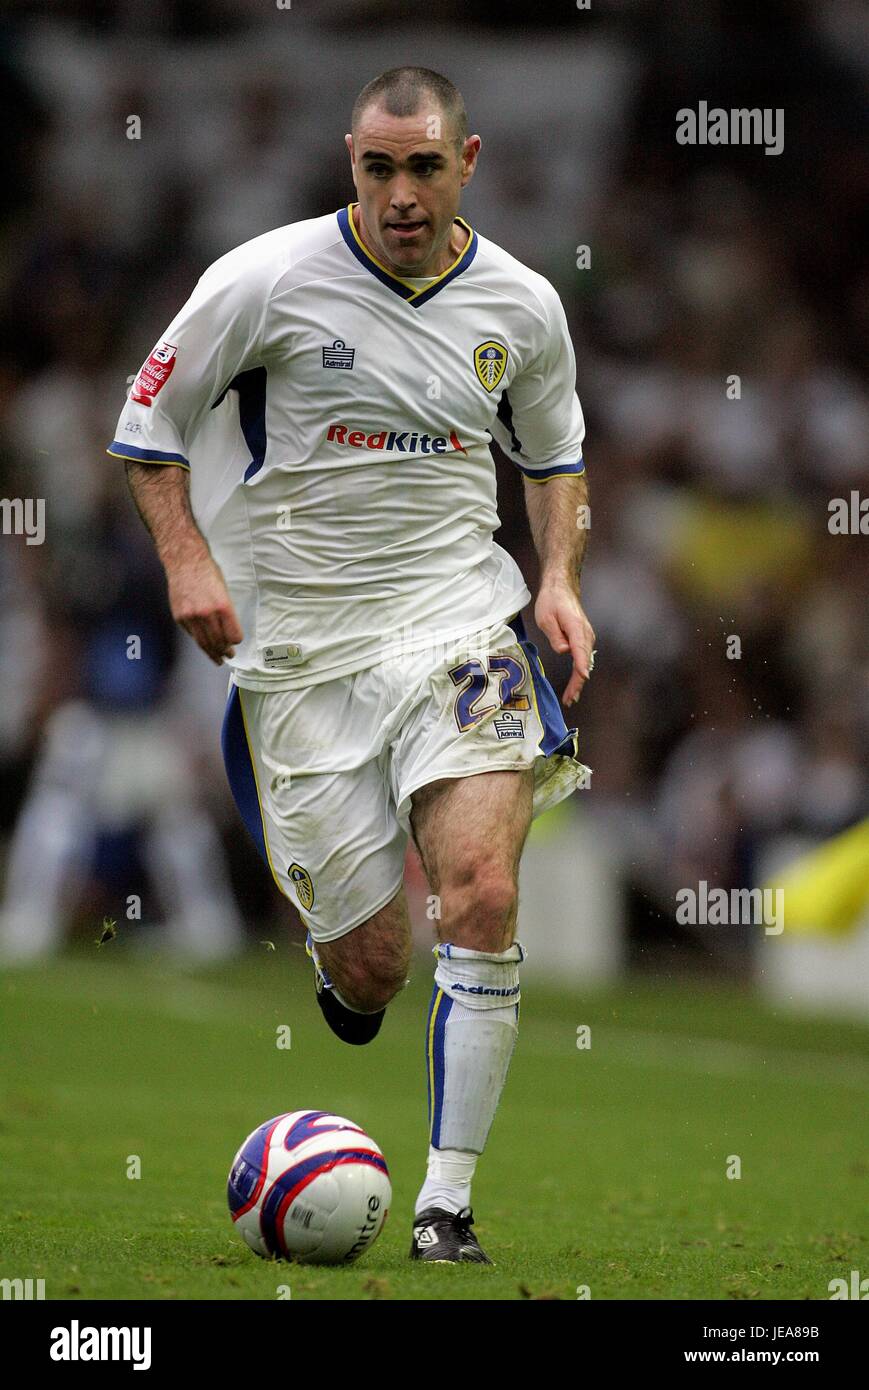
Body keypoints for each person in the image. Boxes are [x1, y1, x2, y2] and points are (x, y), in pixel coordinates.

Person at [108, 66, 595, 1264]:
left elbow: (554, 457)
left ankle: (445, 1206)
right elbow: (146, 422)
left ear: (466, 162)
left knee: (478, 893)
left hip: (458, 628)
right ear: (349, 163)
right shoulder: (263, 279)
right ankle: (350, 981)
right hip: (303, 658)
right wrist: (186, 563)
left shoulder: (522, 306)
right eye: (377, 168)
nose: (401, 194)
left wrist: (558, 580)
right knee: (373, 970)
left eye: (423, 166)